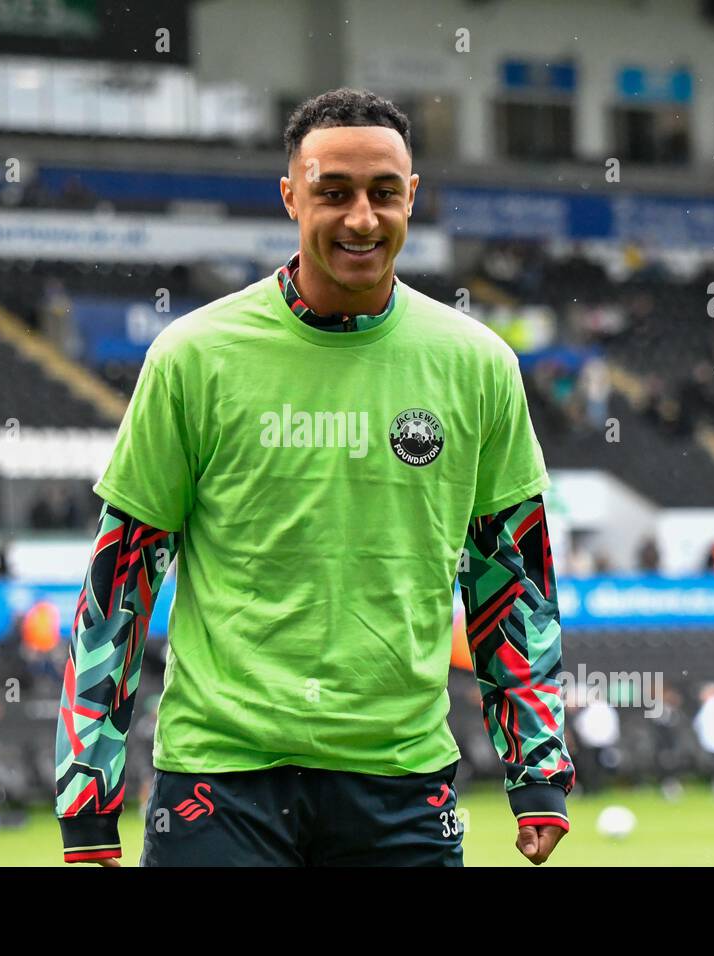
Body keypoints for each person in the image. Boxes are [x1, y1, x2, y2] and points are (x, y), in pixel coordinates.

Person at [55, 88, 573, 868]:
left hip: (400, 785)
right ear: (291, 195)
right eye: (334, 192)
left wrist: (538, 771)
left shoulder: (477, 365)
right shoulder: (196, 356)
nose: (361, 218)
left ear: (412, 199)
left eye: (383, 193)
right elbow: (120, 585)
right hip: (219, 786)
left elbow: (513, 580)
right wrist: (89, 798)